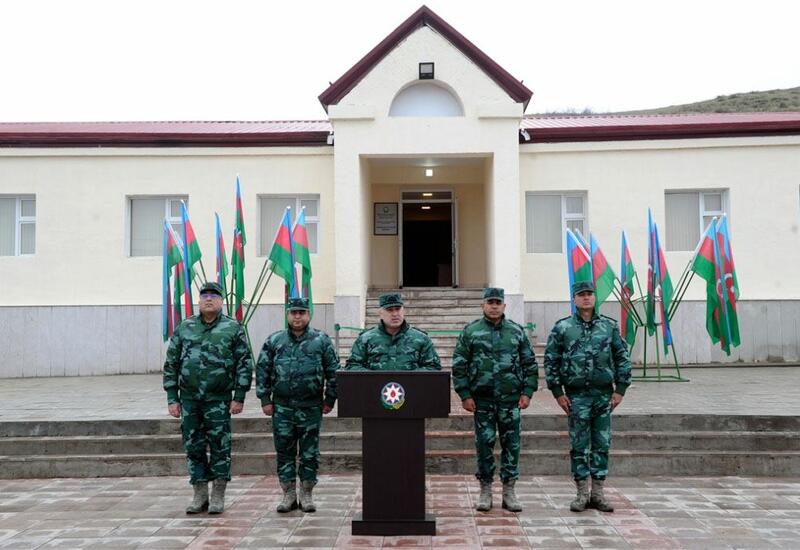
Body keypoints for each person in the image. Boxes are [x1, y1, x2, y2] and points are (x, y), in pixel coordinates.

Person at [163, 281, 253, 515]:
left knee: (220, 446)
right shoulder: (185, 327)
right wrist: (173, 398)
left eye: (214, 295)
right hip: (190, 399)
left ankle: (218, 494)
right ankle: (199, 493)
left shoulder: (233, 328)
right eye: (204, 296)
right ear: (199, 301)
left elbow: (244, 364)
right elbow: (171, 363)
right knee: (193, 445)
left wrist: (239, 396)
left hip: (219, 399)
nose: (209, 299)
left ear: (221, 301)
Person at [543, 281, 632, 513]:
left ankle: (598, 493)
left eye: (589, 294)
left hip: (603, 396)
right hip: (576, 397)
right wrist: (557, 393)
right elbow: (551, 360)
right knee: (579, 446)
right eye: (581, 295)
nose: (586, 298)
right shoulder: (563, 328)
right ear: (574, 299)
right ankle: (582, 493)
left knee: (602, 444)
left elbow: (622, 357)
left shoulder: (609, 327)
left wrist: (620, 389)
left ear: (595, 298)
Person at [452, 287, 538, 512]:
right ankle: (486, 490)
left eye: (498, 302)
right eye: (490, 302)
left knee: (512, 445)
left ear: (504, 306)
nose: (494, 306)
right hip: (482, 402)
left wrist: (527, 392)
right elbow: (459, 364)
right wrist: (465, 394)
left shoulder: (516, 332)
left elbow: (529, 364)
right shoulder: (471, 331)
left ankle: (509, 491)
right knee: (484, 445)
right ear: (482, 305)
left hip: (511, 401)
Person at [256, 297, 338, 513]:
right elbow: (262, 371)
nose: (297, 316)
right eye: (293, 313)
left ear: (308, 314)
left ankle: (307, 493)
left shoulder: (321, 340)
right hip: (282, 408)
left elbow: (333, 372)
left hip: (311, 407)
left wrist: (330, 399)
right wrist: (265, 399)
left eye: (302, 312)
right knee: (284, 451)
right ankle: (288, 494)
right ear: (288, 315)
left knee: (310, 453)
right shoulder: (274, 340)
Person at [343, 293, 441, 371]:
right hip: (375, 392)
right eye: (389, 310)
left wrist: (410, 378)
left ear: (404, 311)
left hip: (411, 392)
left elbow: (433, 367)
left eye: (398, 309)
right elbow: (352, 366)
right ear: (380, 314)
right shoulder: (366, 339)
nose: (395, 314)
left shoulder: (421, 339)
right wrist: (373, 377)